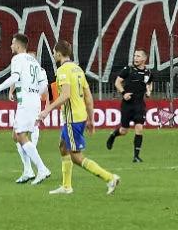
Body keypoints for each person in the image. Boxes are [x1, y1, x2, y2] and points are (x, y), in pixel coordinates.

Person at [40, 42, 119, 196]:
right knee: (63, 146)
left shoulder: (63, 70)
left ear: (59, 53)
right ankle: (66, 186)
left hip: (72, 118)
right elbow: (88, 97)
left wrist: (47, 109)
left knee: (76, 156)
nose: (54, 54)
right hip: (80, 115)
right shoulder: (78, 69)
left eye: (54, 52)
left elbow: (65, 95)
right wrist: (90, 119)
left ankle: (110, 178)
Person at [0, 34, 52, 185]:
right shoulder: (34, 62)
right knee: (15, 135)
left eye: (12, 44)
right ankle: (28, 171)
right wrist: (34, 92)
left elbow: (14, 77)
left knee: (21, 135)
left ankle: (42, 169)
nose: (11, 46)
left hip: (27, 102)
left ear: (18, 45)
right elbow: (44, 84)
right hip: (32, 99)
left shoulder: (17, 59)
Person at [106, 49, 151, 163]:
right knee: (124, 130)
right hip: (127, 105)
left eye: (138, 56)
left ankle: (136, 156)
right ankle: (113, 135)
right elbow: (117, 82)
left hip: (139, 105)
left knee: (139, 128)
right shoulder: (128, 69)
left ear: (144, 59)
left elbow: (149, 83)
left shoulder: (148, 72)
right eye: (135, 56)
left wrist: (149, 91)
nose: (135, 58)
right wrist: (123, 93)